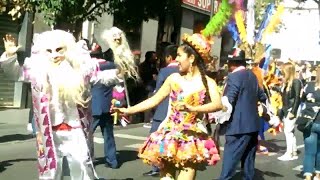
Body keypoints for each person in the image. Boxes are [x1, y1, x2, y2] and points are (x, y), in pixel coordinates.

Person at [0, 29, 130, 179]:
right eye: (49, 51)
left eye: (59, 50)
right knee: (51, 172)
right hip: (49, 132)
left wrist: (120, 55)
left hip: (76, 130)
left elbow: (109, 77)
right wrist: (10, 55)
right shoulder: (37, 72)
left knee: (82, 166)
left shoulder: (81, 70)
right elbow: (14, 73)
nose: (55, 55)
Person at [115, 33, 222, 180]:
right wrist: (128, 110)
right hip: (168, 137)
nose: (176, 59)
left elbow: (218, 104)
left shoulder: (208, 82)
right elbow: (154, 100)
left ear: (191, 59)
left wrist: (193, 109)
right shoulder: (174, 78)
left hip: (191, 139)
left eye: (179, 55)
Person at [219, 48, 267, 180]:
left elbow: (229, 100)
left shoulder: (234, 76)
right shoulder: (252, 75)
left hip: (237, 126)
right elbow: (262, 96)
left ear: (232, 63)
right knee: (248, 164)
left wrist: (218, 115)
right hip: (252, 125)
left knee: (229, 163)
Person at [142, 44, 179, 177]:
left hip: (163, 110)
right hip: (178, 113)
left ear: (169, 57)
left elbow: (157, 92)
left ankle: (156, 167)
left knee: (156, 139)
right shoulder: (183, 70)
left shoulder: (164, 71)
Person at [277, 61, 302, 161]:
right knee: (290, 131)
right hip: (287, 108)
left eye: (283, 72)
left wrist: (293, 111)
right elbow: (286, 96)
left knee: (288, 131)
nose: (282, 74)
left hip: (292, 109)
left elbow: (297, 97)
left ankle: (289, 153)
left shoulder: (296, 81)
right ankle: (294, 151)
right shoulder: (287, 82)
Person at [299, 66, 320, 180]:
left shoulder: (309, 85)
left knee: (309, 152)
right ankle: (318, 174)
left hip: (309, 121)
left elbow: (302, 99)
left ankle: (307, 176)